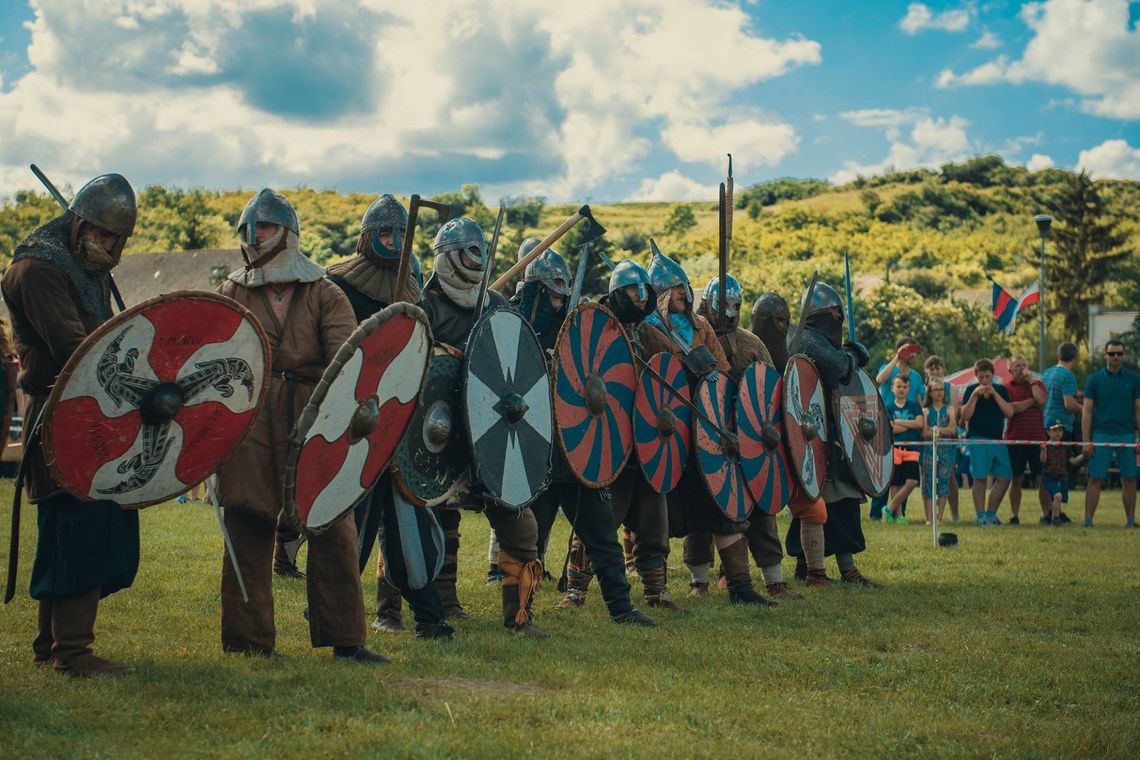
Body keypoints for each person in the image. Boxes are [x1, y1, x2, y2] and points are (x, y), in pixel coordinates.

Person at [214, 189, 384, 663]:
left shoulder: (323, 291)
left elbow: (347, 361)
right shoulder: (232, 292)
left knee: (331, 522)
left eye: (264, 227)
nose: (254, 236)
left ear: (287, 233)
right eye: (248, 229)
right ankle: (249, 642)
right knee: (247, 521)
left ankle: (346, 638)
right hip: (250, 421)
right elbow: (214, 359)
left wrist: (340, 419)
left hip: (314, 417)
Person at [2, 173, 140, 676]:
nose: (113, 248)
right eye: (107, 237)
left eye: (120, 240)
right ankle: (73, 651)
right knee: (81, 523)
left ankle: (50, 642)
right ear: (81, 225)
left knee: (77, 524)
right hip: (62, 407)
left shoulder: (86, 262)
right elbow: (75, 348)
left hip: (90, 403)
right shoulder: (37, 268)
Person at [326, 193, 454, 640]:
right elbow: (338, 358)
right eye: (385, 232)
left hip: (400, 427)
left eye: (402, 233)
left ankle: (430, 618)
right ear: (365, 238)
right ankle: (329, 609)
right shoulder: (338, 286)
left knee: (408, 525)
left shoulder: (416, 291)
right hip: (355, 427)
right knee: (352, 527)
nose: (395, 240)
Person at [419, 218, 545, 636]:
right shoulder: (426, 307)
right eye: (468, 251)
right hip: (437, 431)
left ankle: (519, 616)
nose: (476, 258)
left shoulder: (493, 306)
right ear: (447, 255)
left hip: (491, 432)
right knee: (432, 522)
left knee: (520, 524)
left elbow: (512, 357)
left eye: (481, 251)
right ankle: (414, 608)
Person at [518, 247, 657, 626]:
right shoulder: (515, 328)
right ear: (535, 290)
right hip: (542, 455)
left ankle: (621, 608)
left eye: (564, 296)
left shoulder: (579, 329)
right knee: (529, 539)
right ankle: (519, 610)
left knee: (603, 537)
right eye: (553, 295)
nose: (559, 302)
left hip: (582, 452)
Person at [551, 259, 681, 611]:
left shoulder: (650, 333)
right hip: (607, 438)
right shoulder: (598, 324)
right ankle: (576, 591)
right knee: (602, 520)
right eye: (632, 291)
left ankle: (655, 590)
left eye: (644, 292)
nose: (640, 298)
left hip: (647, 442)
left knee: (654, 522)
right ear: (616, 293)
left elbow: (671, 374)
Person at [697, 276, 798, 600]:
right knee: (706, 514)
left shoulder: (752, 343)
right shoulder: (697, 338)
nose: (729, 312)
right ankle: (700, 581)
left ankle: (773, 579)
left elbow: (770, 391)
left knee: (761, 512)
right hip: (712, 441)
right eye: (723, 304)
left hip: (750, 443)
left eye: (735, 305)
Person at [784, 282, 879, 587]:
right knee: (832, 504)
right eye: (837, 313)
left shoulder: (814, 340)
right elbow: (837, 368)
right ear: (829, 313)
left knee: (835, 504)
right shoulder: (808, 340)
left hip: (831, 434)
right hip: (814, 436)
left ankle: (811, 565)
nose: (839, 318)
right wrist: (850, 356)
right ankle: (834, 569)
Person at [1081, 339, 1140, 528]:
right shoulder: (1094, 379)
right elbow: (1087, 412)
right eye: (1112, 353)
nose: (1116, 357)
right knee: (1095, 478)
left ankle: (1131, 521)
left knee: (1130, 478)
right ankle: (1088, 521)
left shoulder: (1134, 379)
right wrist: (1086, 441)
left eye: (1120, 354)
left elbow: (1138, 410)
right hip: (1101, 434)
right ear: (1105, 355)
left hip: (1127, 434)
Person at [870, 338, 925, 519]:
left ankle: (897, 513)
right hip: (885, 426)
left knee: (903, 475)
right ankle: (876, 513)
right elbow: (879, 379)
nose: (914, 354)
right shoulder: (889, 368)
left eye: (915, 351)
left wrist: (917, 425)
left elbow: (919, 401)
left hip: (906, 432)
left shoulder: (916, 376)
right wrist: (897, 357)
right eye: (910, 350)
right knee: (885, 473)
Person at [960, 358, 1014, 526]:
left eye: (987, 377)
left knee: (1005, 477)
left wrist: (995, 394)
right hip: (977, 439)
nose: (984, 381)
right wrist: (975, 394)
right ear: (976, 376)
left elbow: (1009, 412)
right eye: (981, 377)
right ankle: (980, 515)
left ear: (993, 376)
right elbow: (965, 416)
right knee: (980, 477)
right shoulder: (970, 390)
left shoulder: (1001, 389)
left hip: (998, 439)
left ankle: (991, 513)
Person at [1041, 342, 1082, 524]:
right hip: (1061, 427)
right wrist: (1083, 410)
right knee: (1060, 470)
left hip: (1045, 423)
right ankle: (1055, 513)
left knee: (1047, 470)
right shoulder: (1068, 375)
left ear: (1058, 355)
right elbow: (1068, 403)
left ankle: (1049, 511)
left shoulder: (1047, 373)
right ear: (1076, 357)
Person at [1004, 354, 1047, 526]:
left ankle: (1047, 514)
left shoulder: (1038, 384)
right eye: (1017, 366)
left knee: (1041, 477)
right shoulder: (1007, 387)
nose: (1021, 369)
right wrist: (1030, 402)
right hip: (1015, 438)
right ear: (1010, 370)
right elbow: (1012, 408)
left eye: (1024, 365)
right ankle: (1015, 515)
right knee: (1016, 478)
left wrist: (1032, 383)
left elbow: (1042, 400)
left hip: (1037, 438)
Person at [924, 355, 961, 522]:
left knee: (947, 478)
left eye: (938, 367)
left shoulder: (951, 388)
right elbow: (923, 425)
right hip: (928, 447)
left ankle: (949, 514)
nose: (935, 370)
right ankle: (930, 517)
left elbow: (954, 419)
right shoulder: (924, 391)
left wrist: (939, 430)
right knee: (928, 479)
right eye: (931, 368)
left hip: (947, 445)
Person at [884, 375, 924, 523]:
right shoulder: (888, 406)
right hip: (895, 448)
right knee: (895, 483)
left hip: (912, 448)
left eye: (904, 386)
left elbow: (920, 423)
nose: (901, 389)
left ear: (909, 389)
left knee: (912, 481)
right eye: (898, 386)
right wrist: (909, 423)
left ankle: (889, 507)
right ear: (892, 388)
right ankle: (898, 515)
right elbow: (890, 429)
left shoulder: (914, 405)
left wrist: (899, 422)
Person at [921, 381, 956, 524]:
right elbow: (924, 432)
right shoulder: (926, 411)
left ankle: (939, 518)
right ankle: (929, 518)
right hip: (929, 450)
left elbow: (952, 430)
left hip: (945, 450)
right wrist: (941, 430)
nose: (939, 392)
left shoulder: (950, 409)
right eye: (935, 390)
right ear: (929, 392)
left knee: (943, 483)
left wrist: (935, 430)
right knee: (928, 483)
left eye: (941, 389)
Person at [1040, 419, 1085, 526]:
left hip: (1062, 478)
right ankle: (1055, 520)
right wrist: (1043, 450)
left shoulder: (1065, 446)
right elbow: (1043, 460)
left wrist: (1084, 455)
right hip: (1048, 477)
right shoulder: (1045, 445)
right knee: (1057, 496)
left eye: (1060, 430)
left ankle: (1053, 517)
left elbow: (1073, 461)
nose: (1058, 433)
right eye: (1055, 430)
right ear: (1048, 432)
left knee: (1059, 499)